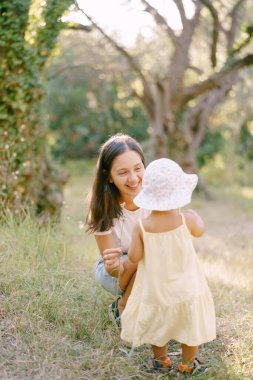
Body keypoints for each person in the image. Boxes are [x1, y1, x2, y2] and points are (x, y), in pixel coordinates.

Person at [119, 158, 216, 374]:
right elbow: (200, 230)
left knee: (157, 327)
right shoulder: (186, 220)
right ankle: (188, 364)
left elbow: (134, 258)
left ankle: (161, 361)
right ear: (179, 194)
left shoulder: (142, 226)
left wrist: (122, 280)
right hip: (187, 288)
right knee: (189, 327)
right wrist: (196, 217)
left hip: (157, 290)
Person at [86, 133, 150, 322]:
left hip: (151, 260)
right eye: (123, 172)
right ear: (109, 176)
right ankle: (122, 306)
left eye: (138, 168)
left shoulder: (156, 197)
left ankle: (141, 298)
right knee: (145, 269)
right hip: (117, 270)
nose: (133, 178)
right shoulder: (102, 208)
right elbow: (113, 266)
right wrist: (115, 268)